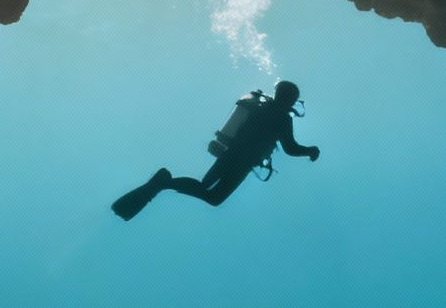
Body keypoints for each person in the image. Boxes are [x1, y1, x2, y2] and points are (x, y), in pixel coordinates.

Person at [111, 80, 319, 220]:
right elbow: (290, 148)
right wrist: (310, 150)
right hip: (242, 163)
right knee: (214, 198)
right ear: (289, 98)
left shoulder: (260, 108)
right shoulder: (281, 118)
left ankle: (164, 183)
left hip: (229, 153)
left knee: (204, 186)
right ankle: (165, 183)